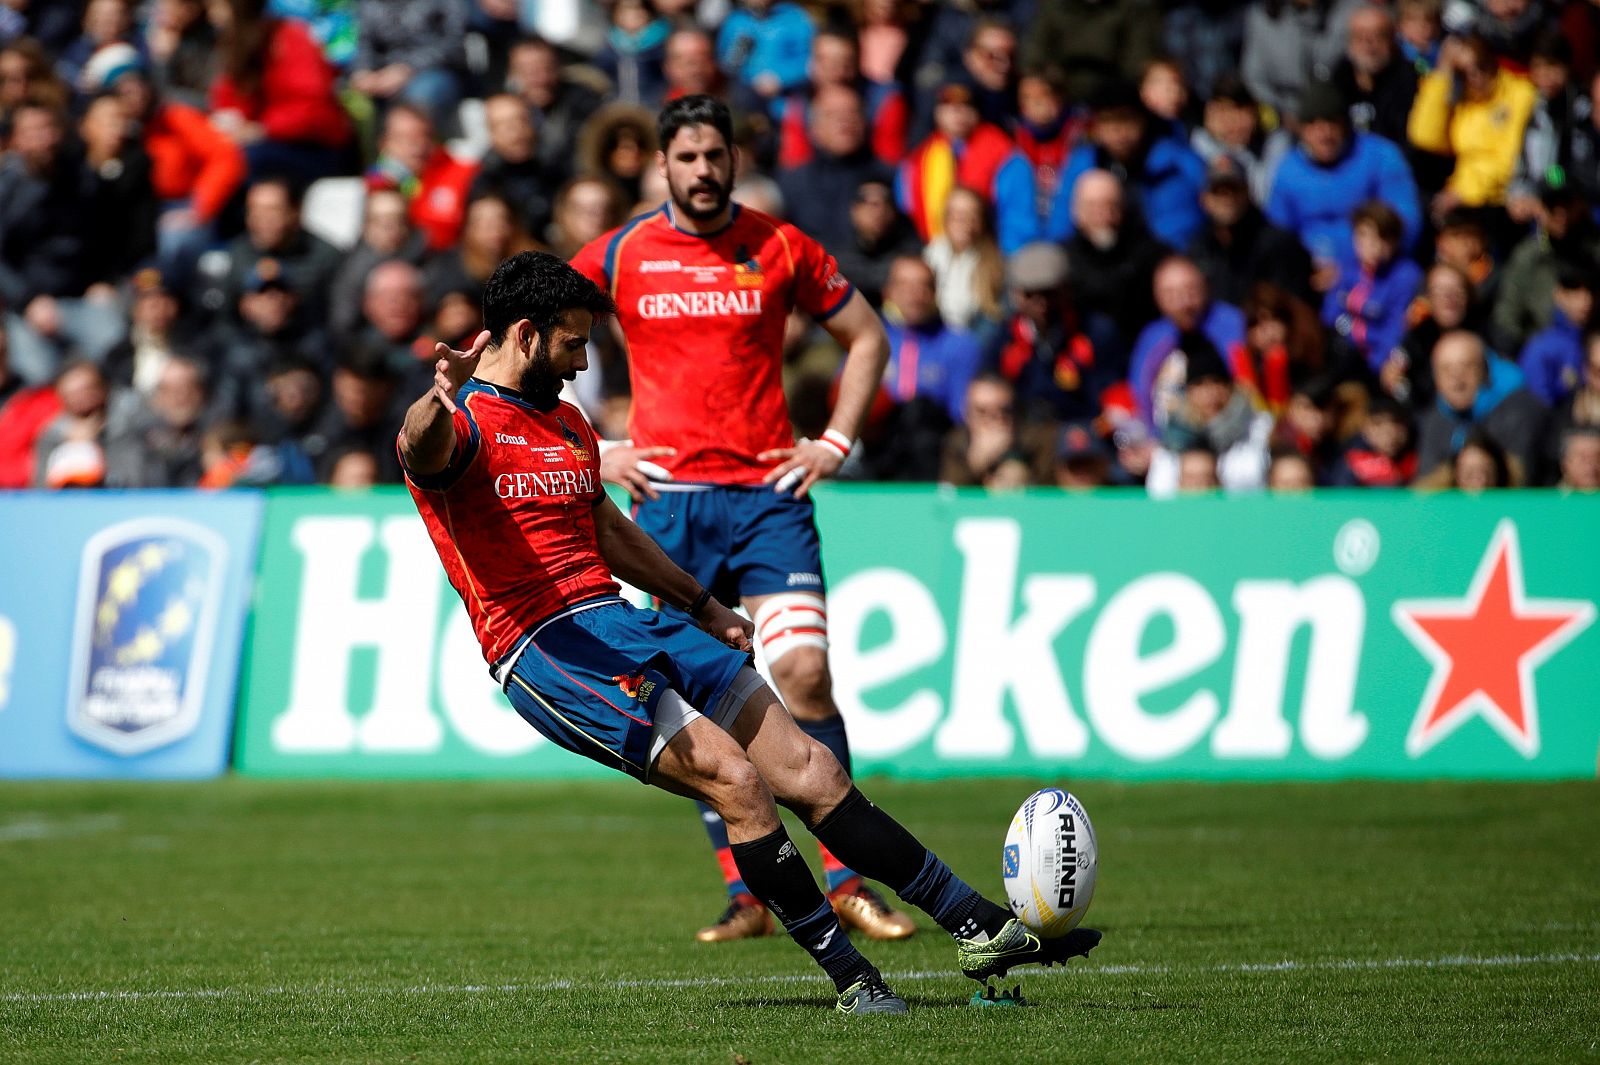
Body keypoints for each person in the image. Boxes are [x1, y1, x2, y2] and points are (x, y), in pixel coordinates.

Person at [399, 250, 1102, 1013]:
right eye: (573, 342)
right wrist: (439, 396)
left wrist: (703, 605)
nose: (582, 361)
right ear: (526, 336)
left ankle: (979, 924)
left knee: (813, 769)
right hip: (550, 648)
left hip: (627, 621)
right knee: (736, 781)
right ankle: (853, 980)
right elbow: (418, 449)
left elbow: (608, 530)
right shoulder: (463, 422)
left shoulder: (567, 423)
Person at [572, 95, 917, 944]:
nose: (701, 170)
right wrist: (593, 449)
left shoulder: (779, 245)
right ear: (662, 165)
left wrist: (835, 440)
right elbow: (529, 338)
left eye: (714, 155)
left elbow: (868, 338)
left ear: (733, 160)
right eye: (685, 157)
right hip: (665, 506)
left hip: (769, 500)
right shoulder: (620, 253)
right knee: (690, 696)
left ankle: (845, 880)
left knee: (802, 673)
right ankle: (746, 890)